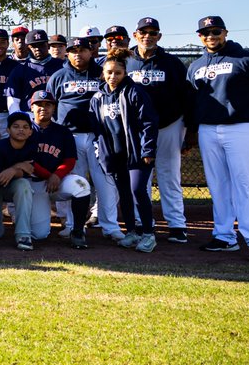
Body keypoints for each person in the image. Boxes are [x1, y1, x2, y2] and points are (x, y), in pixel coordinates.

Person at [187, 16, 249, 257]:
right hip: (208, 129)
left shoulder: (246, 58)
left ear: (225, 32)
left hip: (242, 126)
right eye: (205, 33)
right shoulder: (195, 66)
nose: (210, 36)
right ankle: (224, 236)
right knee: (218, 186)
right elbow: (192, 100)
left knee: (245, 184)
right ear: (199, 37)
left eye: (215, 31)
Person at [46, 37, 121, 241]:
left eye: (83, 50)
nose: (78, 54)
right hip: (70, 137)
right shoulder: (59, 76)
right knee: (75, 182)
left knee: (104, 182)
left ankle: (110, 226)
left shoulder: (101, 74)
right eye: (73, 50)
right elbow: (50, 106)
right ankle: (72, 225)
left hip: (98, 136)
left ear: (91, 52)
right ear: (67, 53)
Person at [126, 17, 192, 243]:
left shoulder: (171, 62)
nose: (148, 36)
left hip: (168, 125)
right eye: (143, 32)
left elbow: (185, 96)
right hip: (137, 129)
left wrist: (188, 130)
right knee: (139, 178)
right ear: (135, 35)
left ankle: (176, 225)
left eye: (153, 33)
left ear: (159, 37)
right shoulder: (126, 61)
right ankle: (142, 223)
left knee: (169, 174)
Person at [90, 47, 159, 252]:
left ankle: (148, 234)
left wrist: (148, 150)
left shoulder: (135, 92)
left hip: (136, 154)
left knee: (138, 190)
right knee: (124, 194)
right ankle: (131, 232)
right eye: (109, 72)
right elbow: (97, 128)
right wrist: (101, 152)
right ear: (103, 72)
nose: (113, 77)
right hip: (115, 154)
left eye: (118, 73)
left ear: (125, 73)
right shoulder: (97, 98)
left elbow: (149, 122)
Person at [28, 91, 93, 249]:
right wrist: (49, 176)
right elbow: (26, 161)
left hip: (58, 181)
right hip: (34, 183)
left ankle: (77, 231)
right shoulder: (25, 129)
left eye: (48, 105)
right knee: (40, 234)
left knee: (81, 185)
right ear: (31, 107)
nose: (43, 108)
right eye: (39, 104)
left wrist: (57, 175)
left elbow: (70, 160)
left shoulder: (63, 132)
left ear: (54, 108)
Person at [0, 113, 39, 250]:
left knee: (24, 185)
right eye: (16, 127)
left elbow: (29, 169)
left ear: (30, 131)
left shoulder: (32, 146)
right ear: (8, 130)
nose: (21, 130)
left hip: (13, 186)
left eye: (25, 127)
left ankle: (23, 235)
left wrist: (13, 169)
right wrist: (19, 166)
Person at [5, 30, 61, 114]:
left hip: (57, 115)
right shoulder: (20, 69)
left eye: (41, 45)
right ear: (28, 48)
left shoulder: (61, 66)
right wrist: (19, 119)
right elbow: (13, 100)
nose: (38, 49)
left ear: (48, 46)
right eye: (34, 46)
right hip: (30, 116)